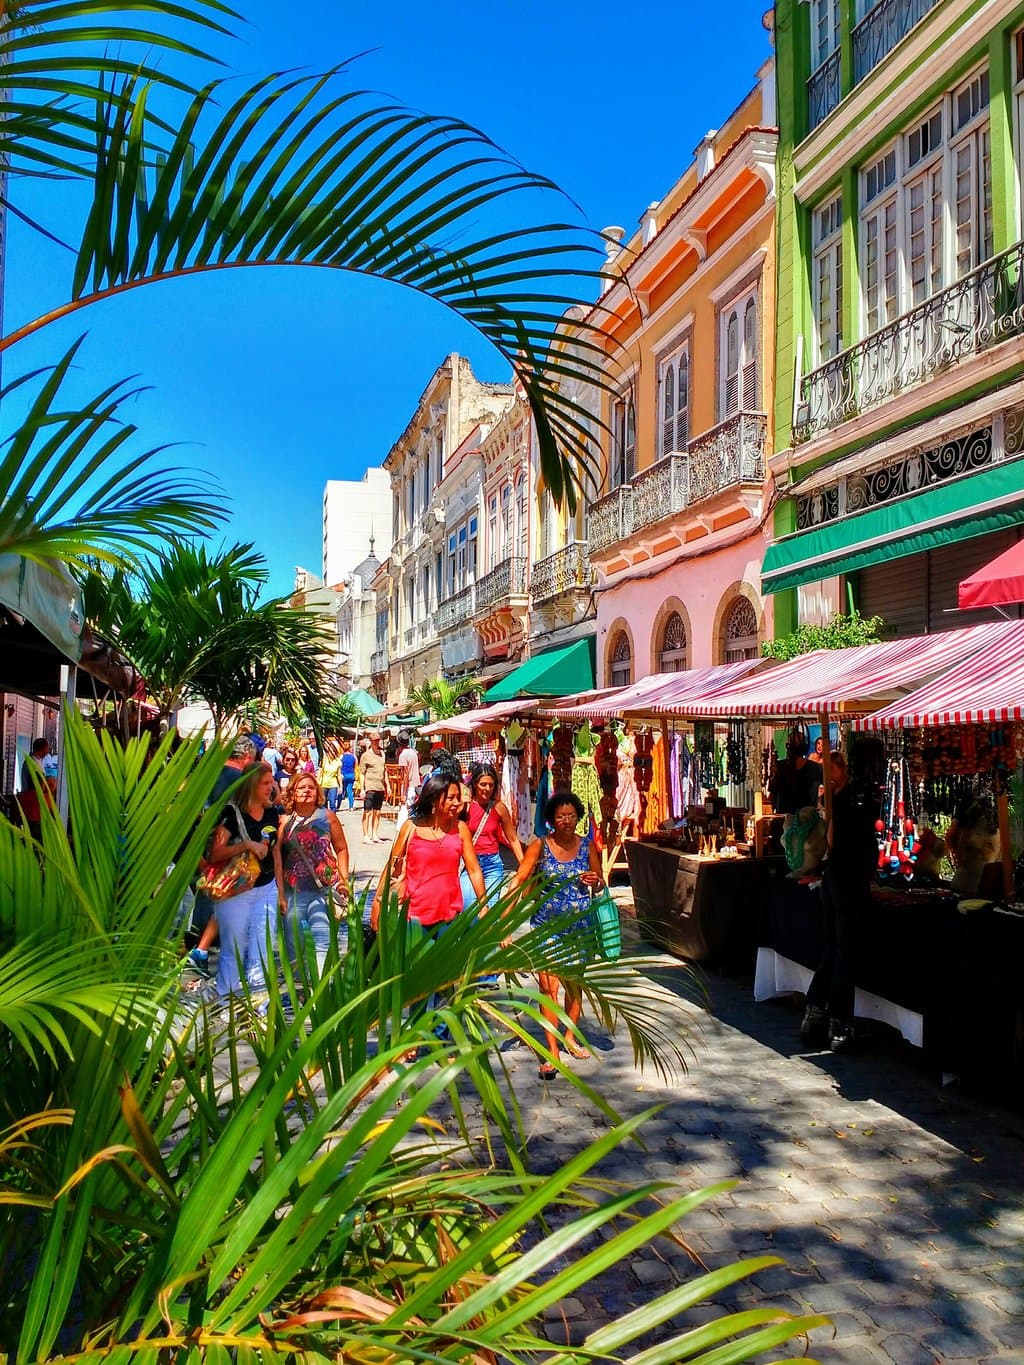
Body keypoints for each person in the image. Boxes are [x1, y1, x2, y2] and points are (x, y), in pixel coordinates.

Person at [371, 774, 487, 1040]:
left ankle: (440, 1036)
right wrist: (377, 903)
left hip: (449, 914)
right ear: (435, 800)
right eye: (452, 798)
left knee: (447, 979)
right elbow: (392, 866)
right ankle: (415, 1035)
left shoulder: (460, 830)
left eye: (459, 798)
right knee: (418, 980)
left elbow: (473, 870)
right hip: (415, 916)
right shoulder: (411, 828)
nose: (458, 803)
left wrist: (484, 904)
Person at [514, 791, 603, 1079]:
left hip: (579, 928)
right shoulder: (539, 846)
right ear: (552, 819)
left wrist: (595, 880)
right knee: (548, 988)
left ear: (578, 817)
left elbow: (600, 882)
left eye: (571, 815)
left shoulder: (588, 846)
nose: (567, 821)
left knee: (574, 984)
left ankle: (570, 1036)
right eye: (561, 816)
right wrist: (503, 915)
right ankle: (551, 1048)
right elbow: (520, 880)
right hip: (546, 928)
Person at [800, 751, 880, 1053]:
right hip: (846, 877)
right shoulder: (845, 800)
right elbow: (832, 841)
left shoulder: (843, 798)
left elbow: (832, 841)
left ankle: (815, 1015)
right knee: (842, 949)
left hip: (840, 876)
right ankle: (839, 1024)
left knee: (835, 948)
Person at [202, 762, 283, 1002]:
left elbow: (276, 852)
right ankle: (226, 1001)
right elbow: (215, 853)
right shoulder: (231, 813)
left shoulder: (271, 813)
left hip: (265, 887)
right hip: (236, 890)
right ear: (251, 785)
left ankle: (258, 1004)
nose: (271, 788)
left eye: (272, 782)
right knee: (232, 948)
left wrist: (280, 892)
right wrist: (245, 845)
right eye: (265, 783)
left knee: (262, 947)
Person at [278, 772, 350, 975]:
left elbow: (342, 849)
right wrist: (280, 893)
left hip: (324, 889)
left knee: (323, 940)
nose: (307, 791)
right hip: (294, 892)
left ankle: (320, 990)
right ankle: (300, 991)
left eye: (311, 787)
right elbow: (277, 859)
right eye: (302, 788)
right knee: (295, 945)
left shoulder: (327, 817)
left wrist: (344, 880)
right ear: (292, 792)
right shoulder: (284, 822)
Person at [460, 762, 524, 911]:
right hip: (469, 862)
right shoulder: (465, 807)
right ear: (475, 784)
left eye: (491, 785)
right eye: (483, 784)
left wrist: (524, 864)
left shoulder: (499, 808)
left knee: (490, 907)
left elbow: (512, 838)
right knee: (469, 906)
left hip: (492, 864)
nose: (487, 789)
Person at [769, 731, 820, 815]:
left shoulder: (816, 768)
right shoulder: (780, 767)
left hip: (804, 822)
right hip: (790, 821)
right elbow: (772, 795)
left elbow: (772, 796)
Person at [18, 737, 54, 838]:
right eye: (48, 748)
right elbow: (37, 785)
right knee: (36, 834)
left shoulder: (35, 761)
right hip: (34, 805)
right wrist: (49, 784)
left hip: (33, 804)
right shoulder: (33, 764)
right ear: (43, 749)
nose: (48, 750)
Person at [359, 733, 387, 843]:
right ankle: (366, 835)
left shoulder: (382, 754)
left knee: (377, 812)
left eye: (378, 740)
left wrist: (387, 785)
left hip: (380, 787)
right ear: (371, 741)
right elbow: (361, 773)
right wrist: (362, 789)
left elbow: (384, 771)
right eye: (374, 740)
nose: (376, 742)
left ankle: (375, 834)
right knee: (367, 812)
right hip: (369, 786)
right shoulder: (365, 755)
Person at [395, 730, 421, 829]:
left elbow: (405, 775)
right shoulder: (413, 753)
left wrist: (403, 793)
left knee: (405, 809)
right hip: (415, 784)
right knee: (411, 809)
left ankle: (403, 830)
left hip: (408, 786)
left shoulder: (403, 756)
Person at [319, 736, 342, 813]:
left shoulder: (337, 761)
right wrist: (318, 783)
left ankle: (333, 819)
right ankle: (325, 819)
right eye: (330, 751)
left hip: (333, 784)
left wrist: (341, 786)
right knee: (323, 803)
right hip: (324, 784)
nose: (331, 753)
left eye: (333, 751)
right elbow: (320, 772)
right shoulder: (324, 760)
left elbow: (338, 775)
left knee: (332, 803)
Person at [340, 739, 357, 810]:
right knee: (349, 791)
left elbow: (340, 766)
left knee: (341, 790)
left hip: (343, 775)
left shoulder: (341, 756)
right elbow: (355, 766)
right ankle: (351, 806)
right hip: (351, 775)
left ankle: (338, 805)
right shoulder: (354, 756)